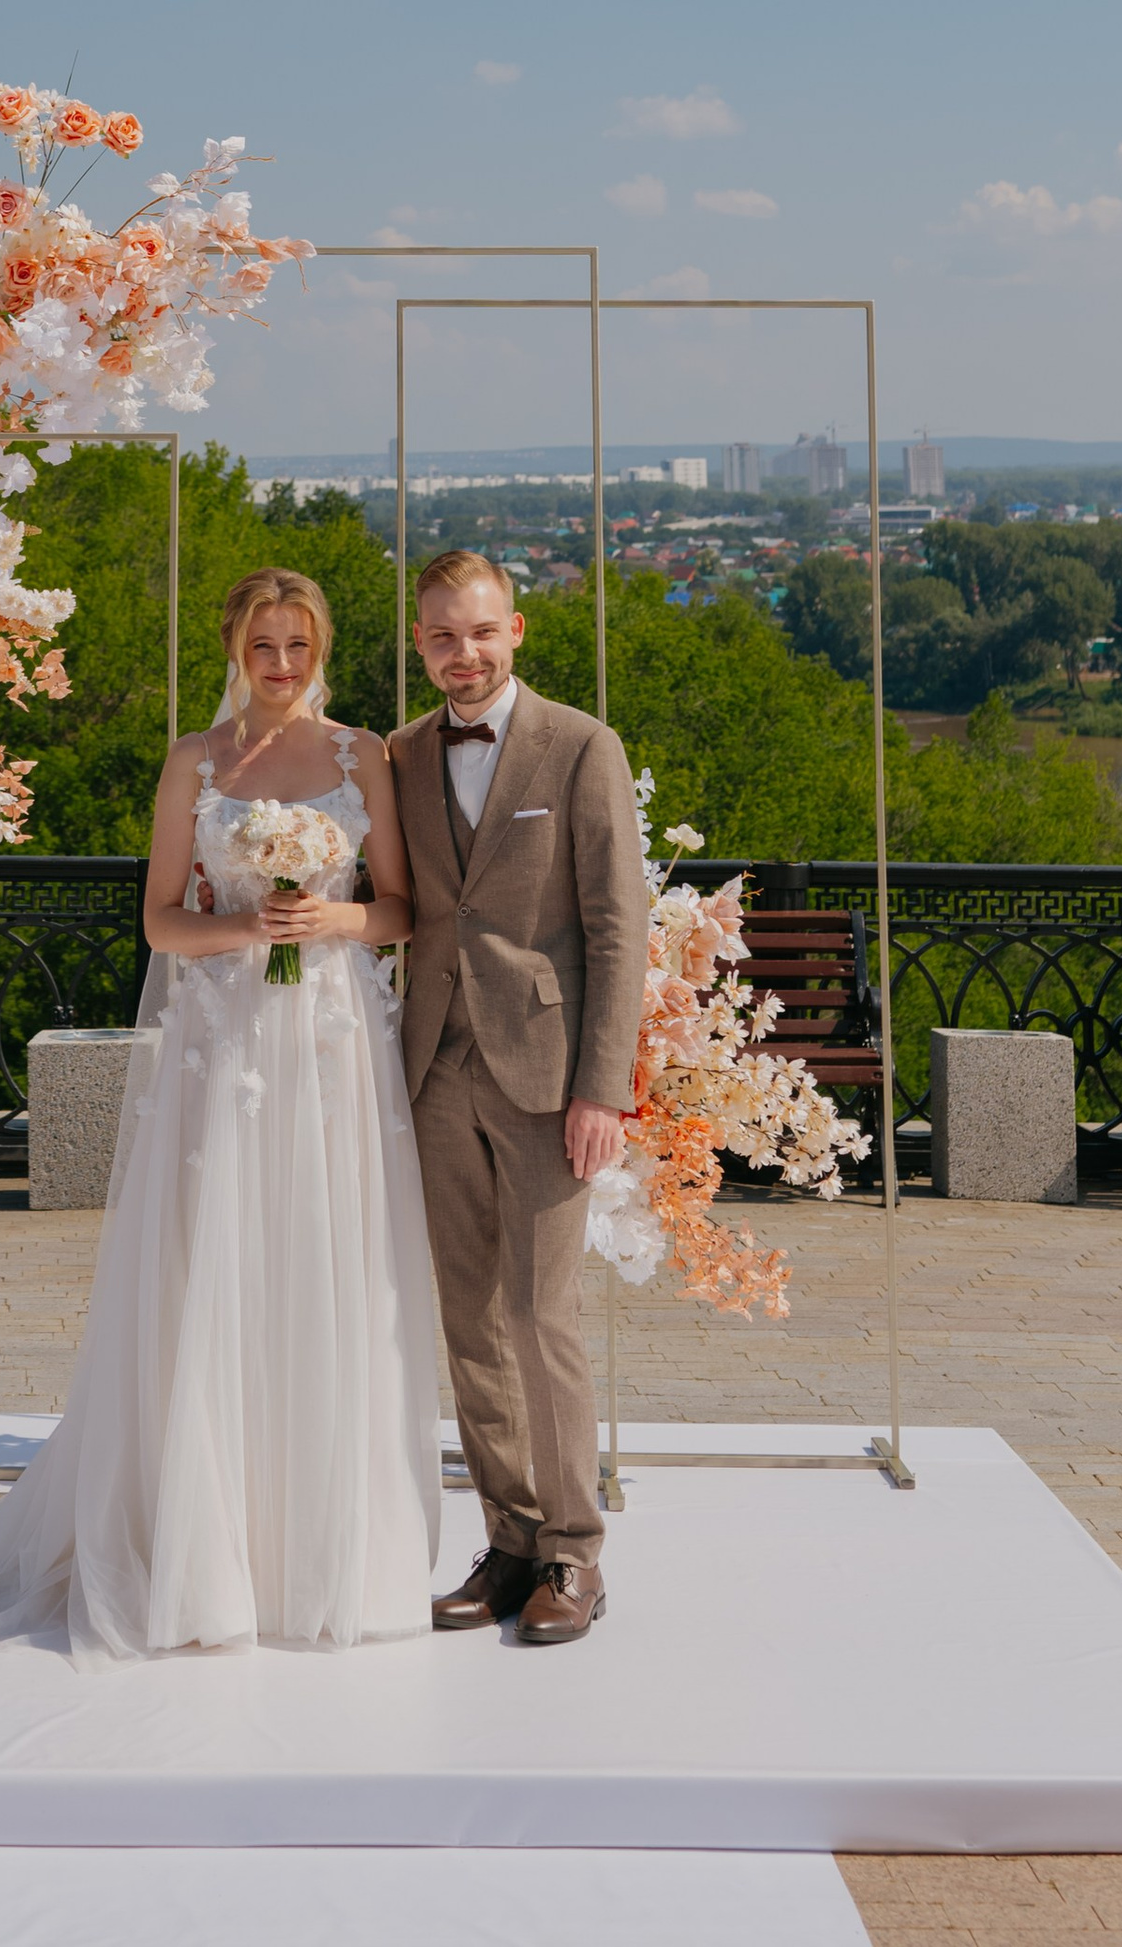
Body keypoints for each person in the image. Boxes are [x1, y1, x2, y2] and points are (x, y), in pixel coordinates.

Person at [0, 566, 441, 1661]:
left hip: (332, 1051)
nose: (279, 666)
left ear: (320, 648)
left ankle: (326, 1553)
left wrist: (327, 915)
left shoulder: (359, 754)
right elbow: (157, 923)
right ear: (233, 646)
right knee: (214, 1270)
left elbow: (402, 909)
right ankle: (200, 1552)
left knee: (323, 1264)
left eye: (297, 645)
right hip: (224, 1045)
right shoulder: (194, 760)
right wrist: (249, 933)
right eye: (262, 645)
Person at [388, 548, 648, 1649]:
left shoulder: (579, 744)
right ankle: (507, 1540)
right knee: (469, 1319)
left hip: (547, 1078)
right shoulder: (398, 754)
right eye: (443, 635)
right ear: (420, 644)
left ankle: (574, 1555)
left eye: (481, 631)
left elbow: (617, 927)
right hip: (433, 1063)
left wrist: (603, 1087)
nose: (464, 651)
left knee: (543, 1316)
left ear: (517, 629)